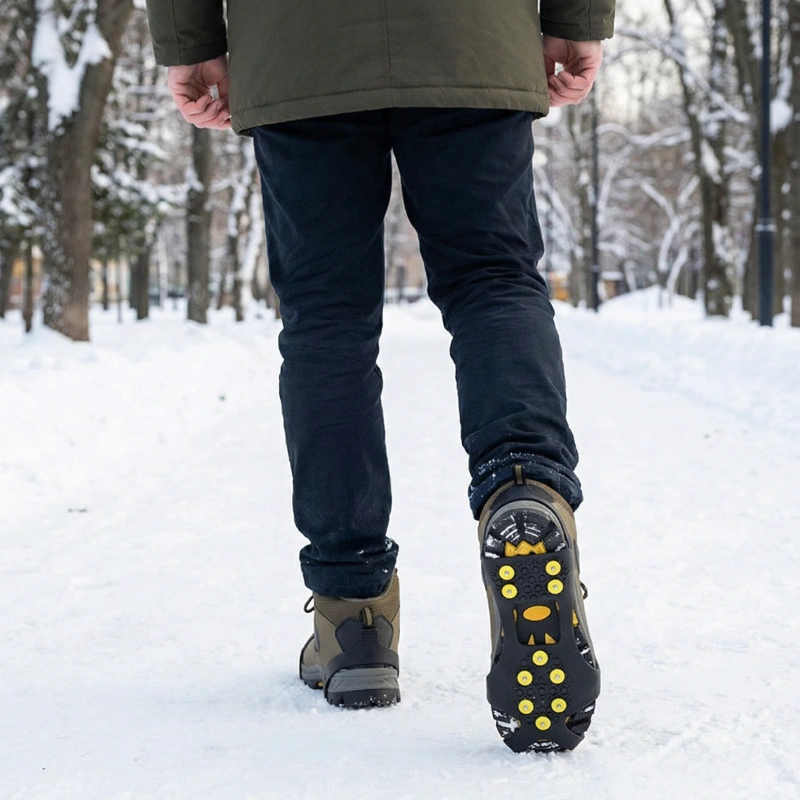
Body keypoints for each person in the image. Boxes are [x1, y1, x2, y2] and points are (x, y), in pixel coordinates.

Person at [145, 0, 615, 753]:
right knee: (493, 281)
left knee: (327, 319)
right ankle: (524, 487)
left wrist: (189, 39)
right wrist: (577, 18)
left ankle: (353, 617)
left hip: (297, 42)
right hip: (471, 34)